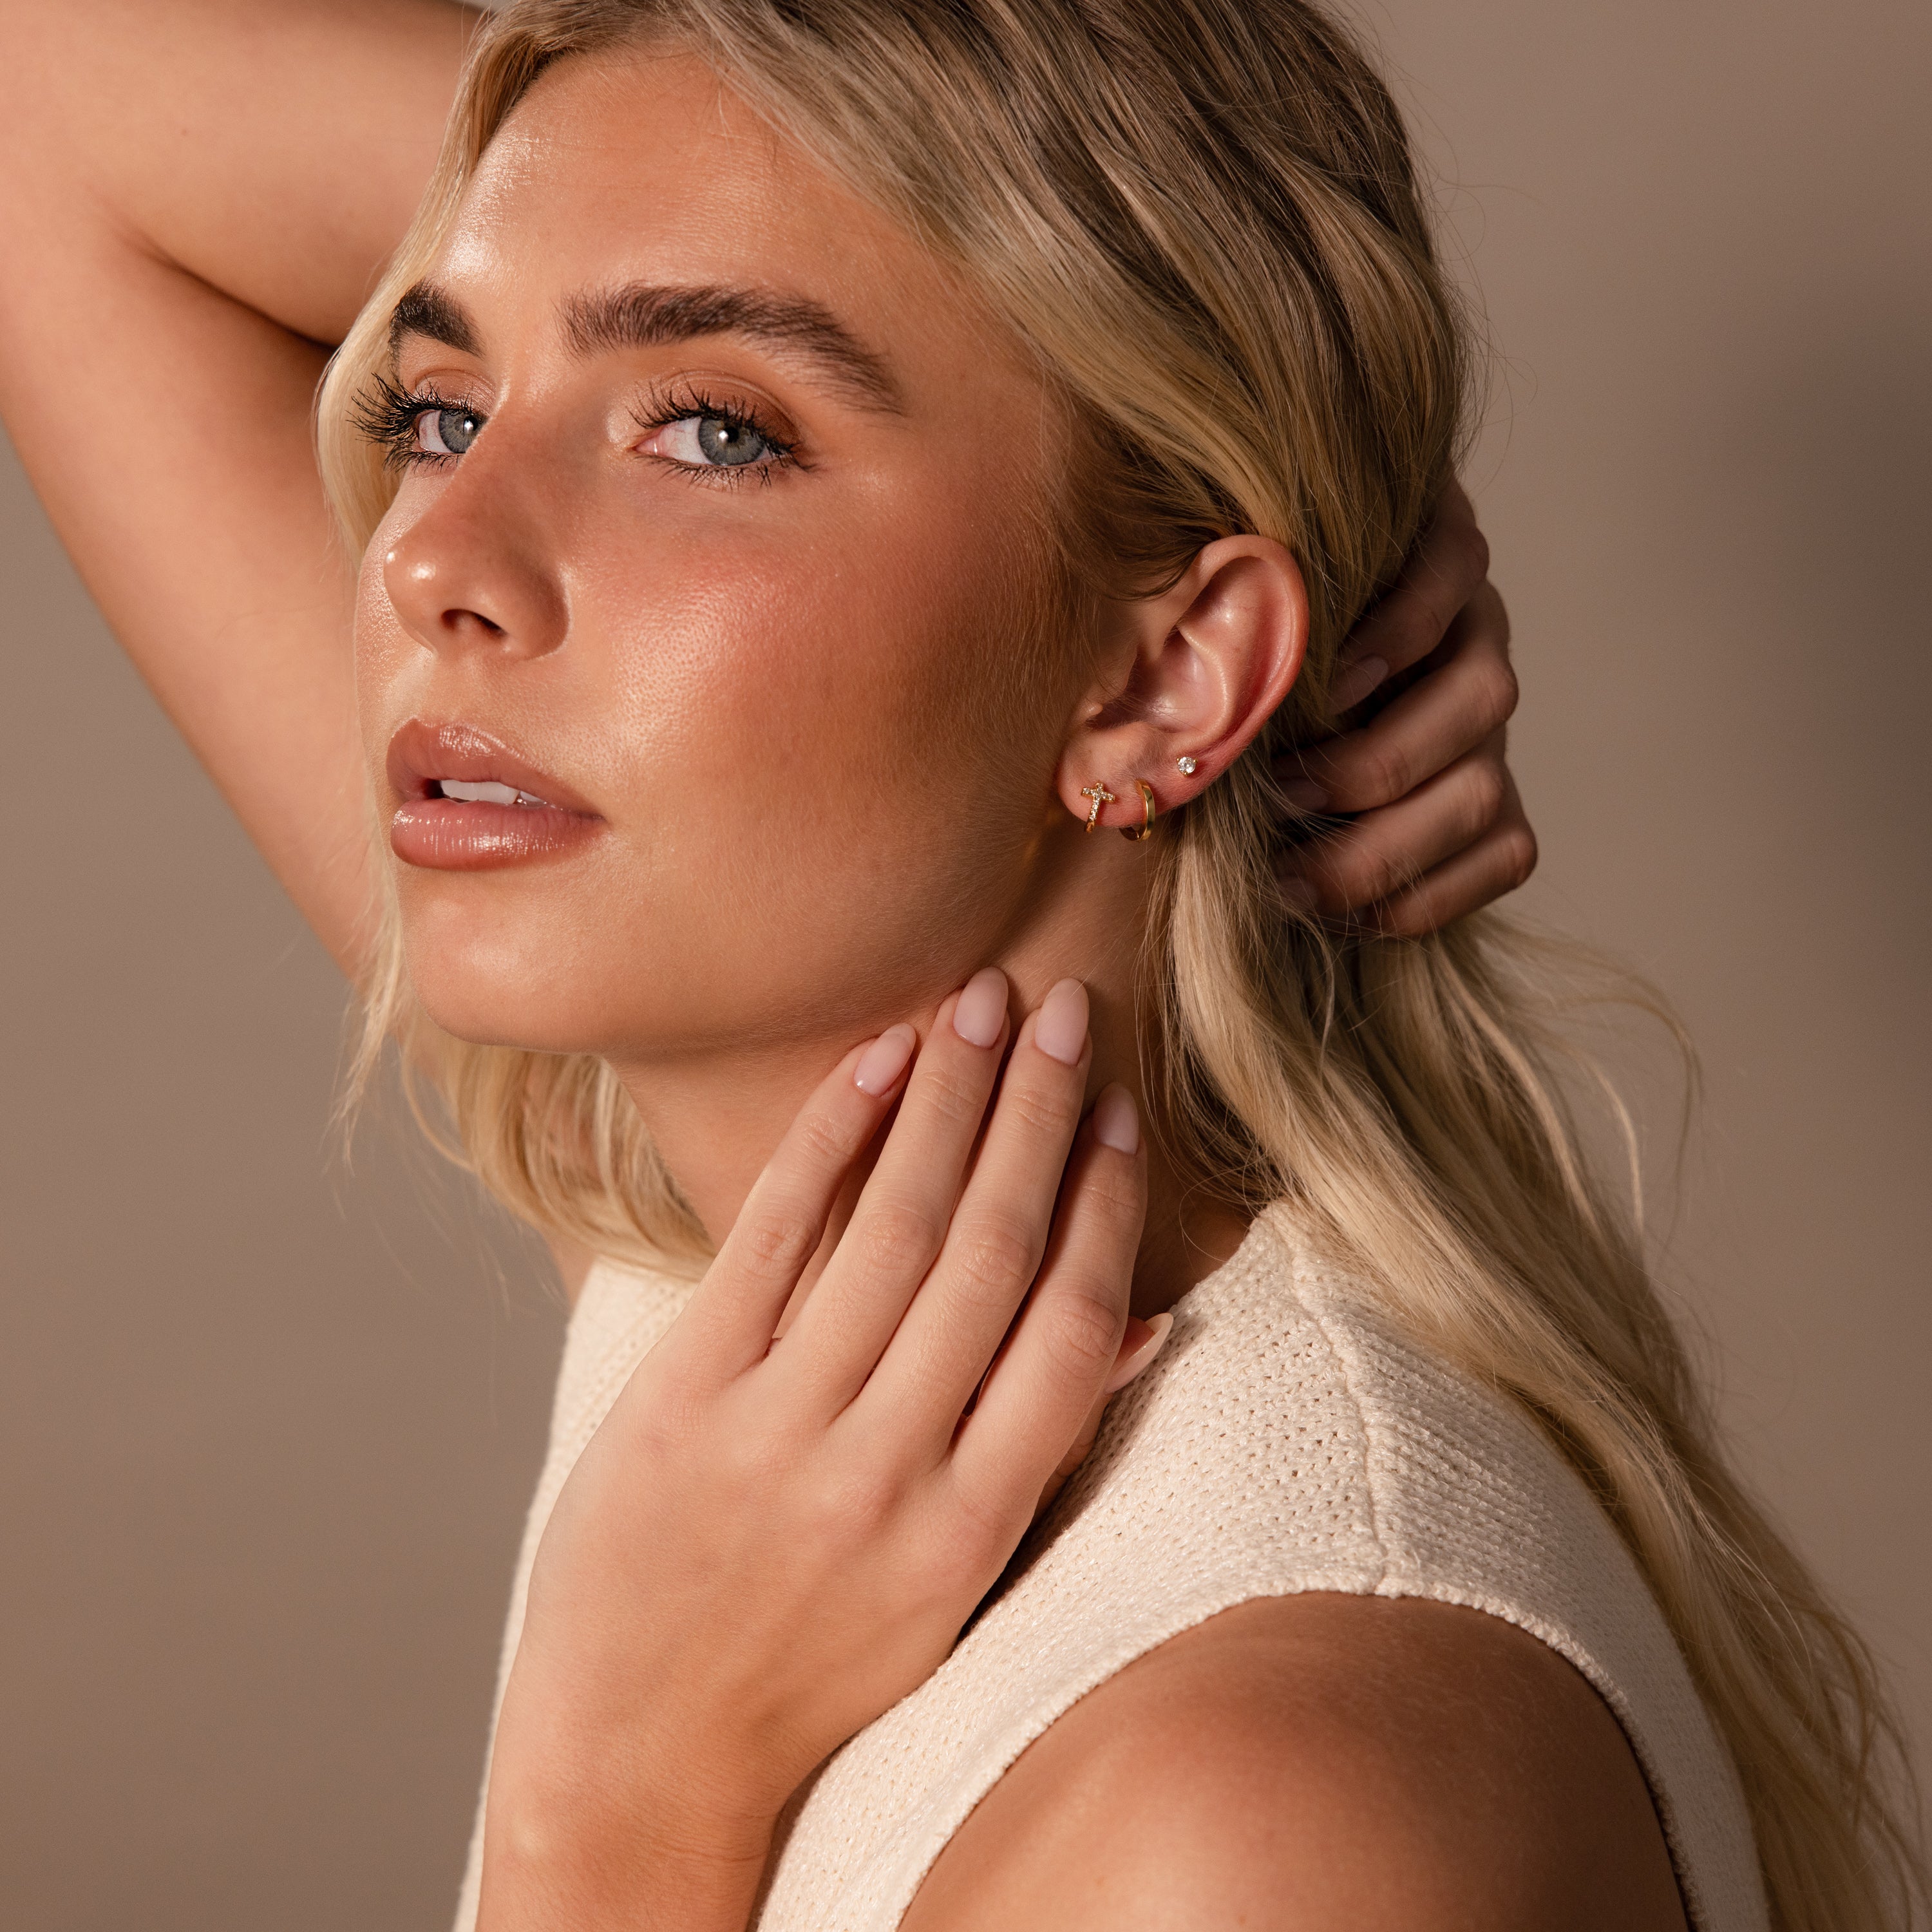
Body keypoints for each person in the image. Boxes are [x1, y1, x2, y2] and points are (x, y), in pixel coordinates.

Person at [0, 2, 1917, 1929]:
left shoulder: (1262, 1834)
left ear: (1175, 668)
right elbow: (50, 101)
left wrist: (617, 1816)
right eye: (440, 412)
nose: (430, 560)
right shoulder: (756, 1322)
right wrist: (1233, 400)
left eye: (713, 431)